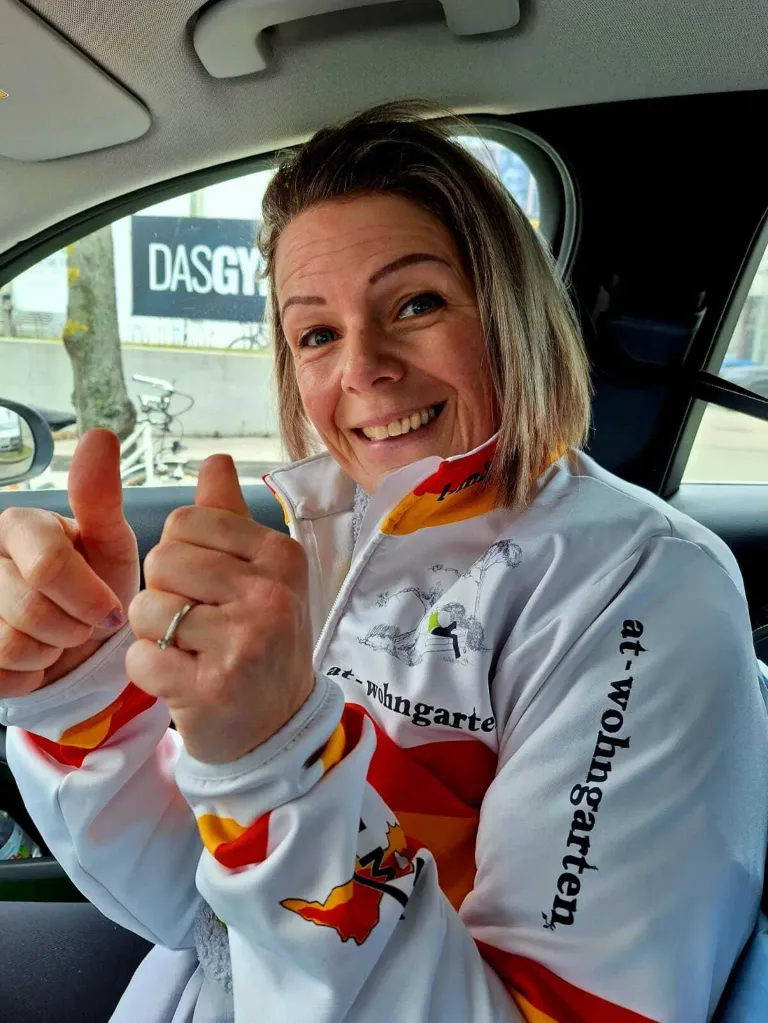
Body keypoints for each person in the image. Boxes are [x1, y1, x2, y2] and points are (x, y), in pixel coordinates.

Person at [0, 100, 766, 1023]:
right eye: (316, 333)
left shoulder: (647, 587)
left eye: (416, 303)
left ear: (510, 317)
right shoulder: (327, 537)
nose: (363, 365)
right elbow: (206, 911)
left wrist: (274, 765)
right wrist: (81, 690)